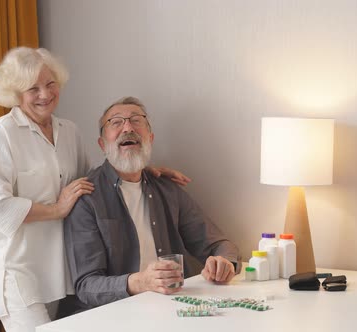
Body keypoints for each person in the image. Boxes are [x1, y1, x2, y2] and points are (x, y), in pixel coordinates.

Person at [0, 48, 190, 332]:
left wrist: (143, 170)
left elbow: (96, 181)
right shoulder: (5, 132)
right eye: (33, 88)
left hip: (54, 266)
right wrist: (56, 209)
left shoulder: (69, 131)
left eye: (50, 84)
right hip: (16, 268)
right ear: (16, 93)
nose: (44, 94)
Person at [64, 96, 242, 308]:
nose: (127, 127)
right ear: (102, 144)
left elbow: (218, 243)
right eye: (116, 122)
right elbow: (87, 285)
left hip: (171, 306)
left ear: (150, 137)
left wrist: (224, 262)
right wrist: (140, 282)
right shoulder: (86, 197)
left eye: (136, 120)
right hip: (117, 314)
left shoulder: (167, 189)